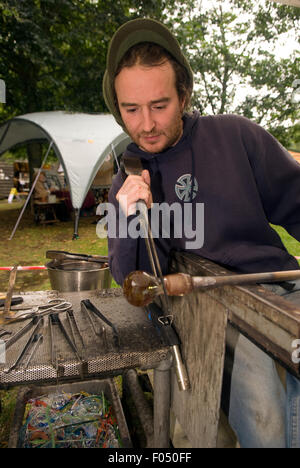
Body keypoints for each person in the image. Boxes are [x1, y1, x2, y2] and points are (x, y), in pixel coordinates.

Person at [103, 18, 300, 448]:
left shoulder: (235, 137)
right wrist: (130, 218)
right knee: (265, 405)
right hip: (202, 309)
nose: (147, 124)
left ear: (185, 95)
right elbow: (131, 281)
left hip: (278, 292)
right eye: (131, 110)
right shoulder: (129, 179)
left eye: (160, 105)